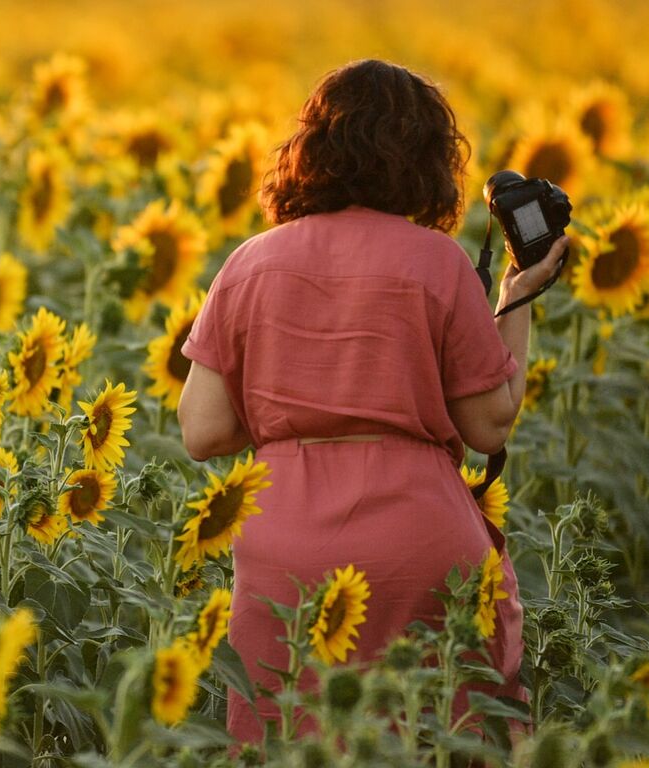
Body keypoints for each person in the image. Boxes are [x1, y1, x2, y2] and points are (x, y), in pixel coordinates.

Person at [174, 59, 567, 742]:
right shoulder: (438, 262)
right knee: (432, 732)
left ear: (310, 150)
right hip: (417, 542)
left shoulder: (249, 263)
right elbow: (487, 423)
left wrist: (293, 408)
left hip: (282, 545)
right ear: (426, 159)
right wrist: (516, 297)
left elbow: (203, 431)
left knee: (289, 737)